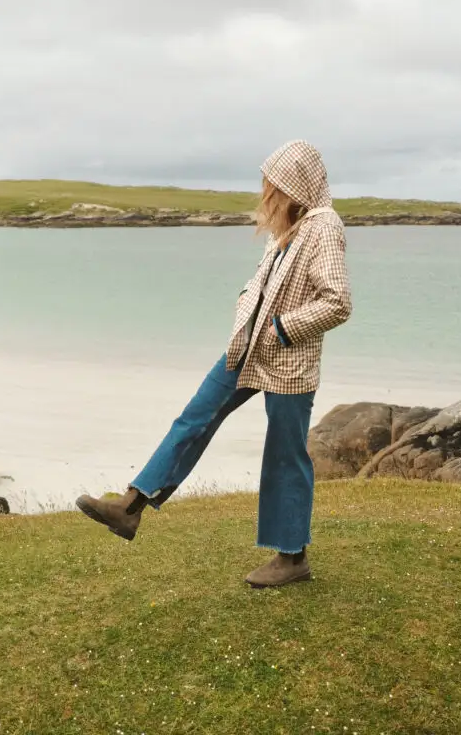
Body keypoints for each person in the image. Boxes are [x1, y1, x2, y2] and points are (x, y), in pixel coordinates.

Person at [76, 140, 352, 588]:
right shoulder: (289, 225)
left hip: (289, 363)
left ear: (293, 184)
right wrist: (246, 300)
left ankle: (292, 558)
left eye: (273, 182)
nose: (265, 190)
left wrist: (282, 329)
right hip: (246, 350)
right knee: (194, 418)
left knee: (285, 456)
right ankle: (129, 508)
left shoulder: (323, 227)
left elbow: (337, 302)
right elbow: (263, 283)